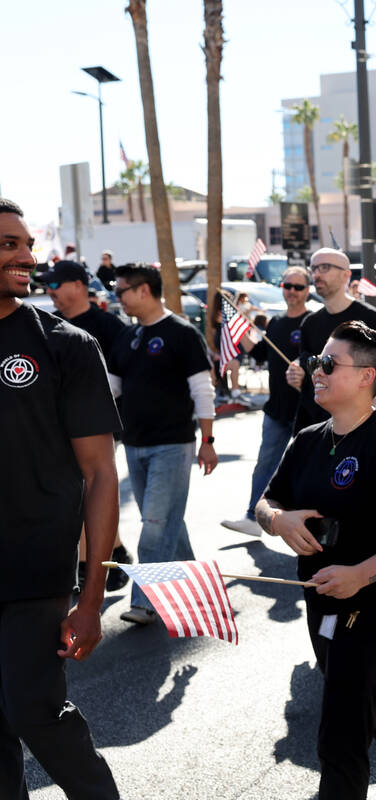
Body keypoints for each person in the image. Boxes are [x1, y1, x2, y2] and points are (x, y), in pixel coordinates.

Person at [256, 321, 376, 800]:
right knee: (373, 705)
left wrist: (359, 574)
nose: (315, 369)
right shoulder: (307, 439)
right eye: (317, 360)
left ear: (366, 377)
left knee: (340, 728)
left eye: (329, 364)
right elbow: (265, 503)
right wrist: (279, 521)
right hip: (321, 600)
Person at [0, 197, 122, 798]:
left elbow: (100, 475)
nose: (27, 255)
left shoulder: (65, 346)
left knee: (34, 715)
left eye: (25, 244)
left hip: (32, 575)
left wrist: (92, 596)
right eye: (8, 245)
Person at [109, 264, 219, 625]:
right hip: (134, 444)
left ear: (144, 290)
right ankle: (197, 582)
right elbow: (111, 390)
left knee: (155, 524)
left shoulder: (182, 334)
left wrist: (208, 440)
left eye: (121, 289)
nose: (117, 296)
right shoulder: (127, 337)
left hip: (173, 444)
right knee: (167, 519)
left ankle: (145, 601)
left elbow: (202, 390)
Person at [44, 259, 135, 589]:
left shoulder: (108, 326)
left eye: (55, 285)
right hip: (60, 426)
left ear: (79, 286)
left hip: (99, 424)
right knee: (86, 493)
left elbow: (123, 375)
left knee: (85, 489)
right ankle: (117, 552)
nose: (49, 292)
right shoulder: (48, 328)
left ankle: (88, 567)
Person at [221, 266, 312, 536]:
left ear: (307, 290)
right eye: (287, 286)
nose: (292, 292)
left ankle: (309, 524)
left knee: (306, 470)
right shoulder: (277, 322)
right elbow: (260, 353)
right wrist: (235, 321)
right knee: (264, 464)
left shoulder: (314, 322)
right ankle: (253, 517)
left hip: (307, 412)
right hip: (276, 410)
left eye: (298, 287)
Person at [286, 248, 376, 434]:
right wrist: (297, 373)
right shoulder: (309, 323)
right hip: (312, 427)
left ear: (346, 275)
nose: (317, 274)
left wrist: (369, 426)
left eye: (325, 268)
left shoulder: (370, 319)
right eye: (314, 268)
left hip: (355, 428)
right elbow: (307, 369)